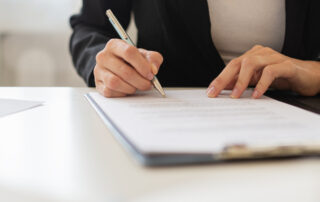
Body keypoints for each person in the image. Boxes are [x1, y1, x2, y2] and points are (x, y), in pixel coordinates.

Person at [70, 0, 320, 98]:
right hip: (165, 118)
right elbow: (91, 27)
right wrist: (104, 63)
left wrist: (315, 72)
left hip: (301, 119)